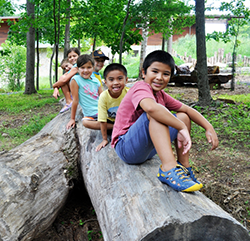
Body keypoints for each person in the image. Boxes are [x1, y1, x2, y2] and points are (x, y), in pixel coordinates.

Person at [111, 50, 219, 193]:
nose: (159, 77)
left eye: (166, 74)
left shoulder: (161, 95)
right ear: (144, 73)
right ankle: (168, 169)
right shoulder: (140, 87)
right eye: (154, 71)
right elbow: (150, 107)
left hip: (146, 150)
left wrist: (208, 127)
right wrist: (181, 128)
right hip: (126, 148)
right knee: (156, 114)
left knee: (183, 116)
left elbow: (187, 109)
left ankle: (184, 167)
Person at [66, 55, 113, 131]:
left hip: (102, 111)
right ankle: (114, 127)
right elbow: (75, 100)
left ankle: (115, 124)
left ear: (93, 67)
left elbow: (103, 97)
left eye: (89, 67)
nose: (86, 70)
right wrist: (72, 119)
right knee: (85, 123)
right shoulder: (76, 80)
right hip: (90, 114)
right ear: (77, 69)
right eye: (82, 68)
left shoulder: (96, 81)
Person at [96, 63, 129, 152]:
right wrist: (104, 139)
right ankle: (116, 127)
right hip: (110, 121)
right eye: (111, 79)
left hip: (125, 122)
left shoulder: (129, 93)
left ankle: (121, 127)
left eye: (120, 79)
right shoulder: (103, 96)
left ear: (126, 80)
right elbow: (102, 120)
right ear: (105, 82)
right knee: (86, 123)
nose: (116, 83)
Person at [53, 48, 80, 113]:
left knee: (63, 79)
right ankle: (69, 100)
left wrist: (54, 86)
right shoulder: (73, 67)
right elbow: (62, 78)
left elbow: (64, 80)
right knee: (63, 77)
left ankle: (69, 101)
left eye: (74, 56)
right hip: (76, 87)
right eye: (70, 57)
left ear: (79, 56)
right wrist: (56, 88)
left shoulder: (78, 66)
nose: (72, 58)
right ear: (68, 59)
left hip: (82, 88)